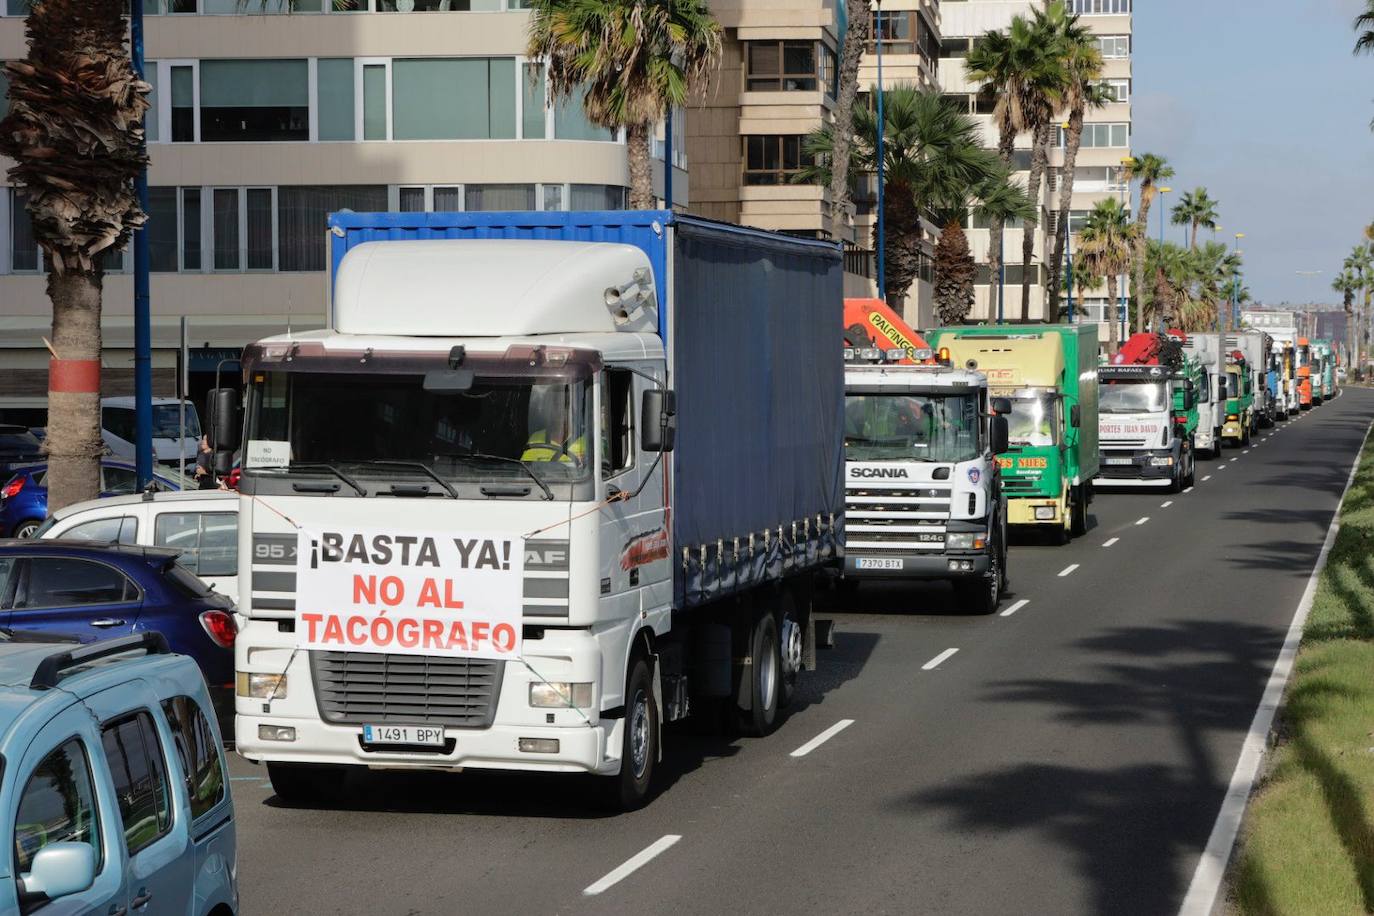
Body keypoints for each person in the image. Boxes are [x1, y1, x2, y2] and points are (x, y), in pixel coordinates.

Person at [522, 387, 587, 464]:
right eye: (555, 406)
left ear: (572, 409)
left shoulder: (588, 442)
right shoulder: (536, 438)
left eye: (565, 405)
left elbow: (600, 468)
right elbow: (525, 469)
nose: (560, 411)